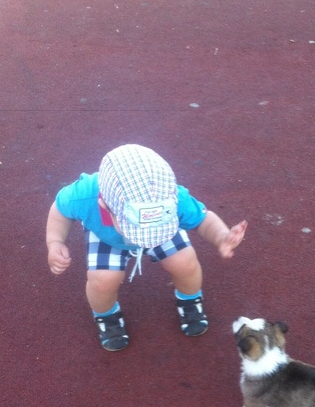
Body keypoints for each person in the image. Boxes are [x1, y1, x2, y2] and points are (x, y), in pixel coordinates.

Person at [46, 144, 247, 351]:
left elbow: (204, 220)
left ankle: (190, 298)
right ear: (104, 204)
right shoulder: (82, 196)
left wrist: (221, 237)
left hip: (164, 229)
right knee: (102, 281)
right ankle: (106, 315)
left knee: (185, 262)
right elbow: (60, 211)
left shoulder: (173, 198)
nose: (145, 241)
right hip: (106, 236)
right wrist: (55, 241)